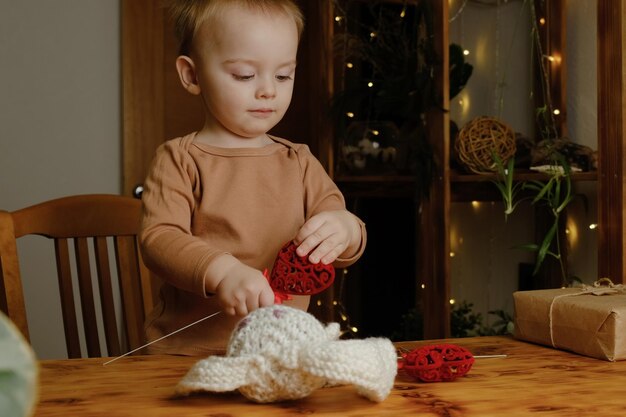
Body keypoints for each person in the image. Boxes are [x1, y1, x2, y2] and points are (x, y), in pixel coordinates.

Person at [139, 0, 366, 356]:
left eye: (283, 75)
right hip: (188, 355)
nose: (268, 91)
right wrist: (222, 271)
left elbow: (341, 234)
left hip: (281, 352)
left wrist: (346, 229)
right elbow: (159, 239)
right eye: (245, 75)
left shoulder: (300, 161)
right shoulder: (179, 159)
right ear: (192, 75)